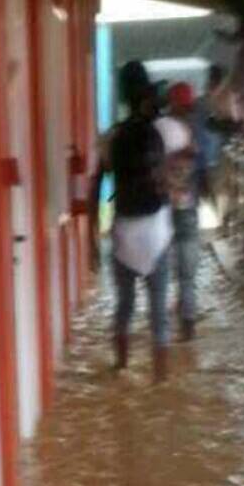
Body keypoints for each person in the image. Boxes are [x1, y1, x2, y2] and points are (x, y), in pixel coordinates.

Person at [90, 60, 190, 380]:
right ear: (148, 93)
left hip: (123, 234)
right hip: (157, 232)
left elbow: (96, 185)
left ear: (122, 96)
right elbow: (192, 149)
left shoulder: (111, 136)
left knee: (124, 307)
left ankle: (120, 367)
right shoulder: (165, 129)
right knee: (158, 312)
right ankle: (159, 380)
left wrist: (91, 238)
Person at [166, 81, 202, 342]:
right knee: (187, 276)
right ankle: (187, 326)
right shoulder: (194, 133)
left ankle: (167, 329)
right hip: (187, 211)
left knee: (163, 274)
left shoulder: (161, 131)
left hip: (164, 212)